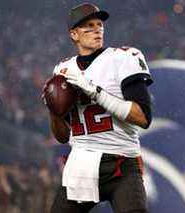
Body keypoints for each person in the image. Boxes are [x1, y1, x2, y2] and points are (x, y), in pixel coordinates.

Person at [43, 2, 153, 213]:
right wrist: (53, 111)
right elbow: (63, 136)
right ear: (74, 34)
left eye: (99, 25)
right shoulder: (63, 69)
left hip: (121, 162)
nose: (96, 30)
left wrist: (95, 92)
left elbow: (143, 118)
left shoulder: (123, 58)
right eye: (88, 26)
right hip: (81, 163)